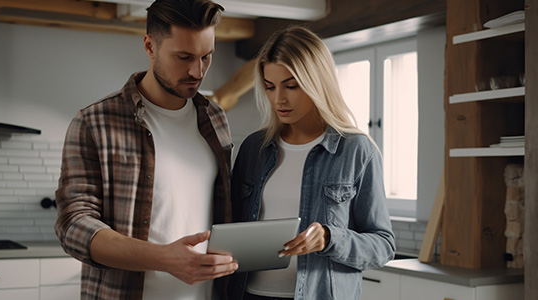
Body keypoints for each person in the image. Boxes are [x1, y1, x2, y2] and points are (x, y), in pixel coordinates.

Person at [54, 0, 238, 299]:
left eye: (207, 56)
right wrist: (165, 258)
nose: (197, 71)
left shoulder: (215, 118)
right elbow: (73, 226)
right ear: (150, 46)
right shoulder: (94, 122)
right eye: (183, 57)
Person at [227, 25, 395, 300]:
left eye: (291, 86)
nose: (279, 99)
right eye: (270, 87)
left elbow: (383, 246)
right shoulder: (253, 149)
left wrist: (330, 238)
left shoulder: (356, 151)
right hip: (249, 294)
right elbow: (230, 226)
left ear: (317, 82)